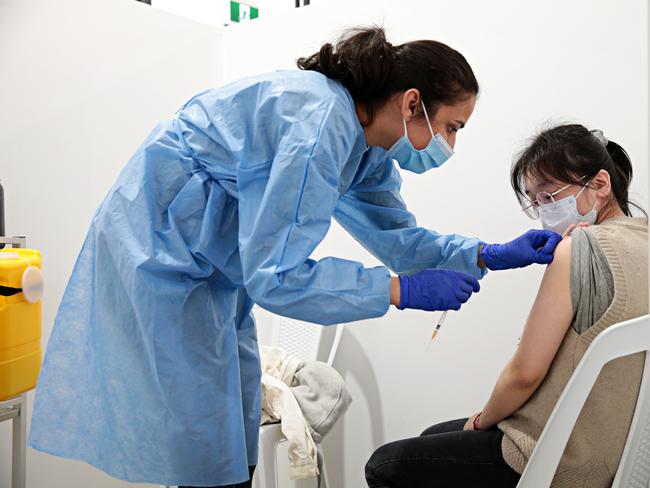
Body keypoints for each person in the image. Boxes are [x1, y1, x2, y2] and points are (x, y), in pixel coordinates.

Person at [29, 27, 560, 488]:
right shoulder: (318, 126)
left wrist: (486, 254)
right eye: (451, 128)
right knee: (204, 445)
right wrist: (400, 291)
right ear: (412, 102)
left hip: (213, 271)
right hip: (161, 253)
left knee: (233, 431)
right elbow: (277, 277)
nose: (449, 145)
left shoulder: (366, 148)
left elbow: (399, 239)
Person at [365, 124, 648, 488]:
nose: (545, 211)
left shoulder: (577, 247)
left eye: (549, 196)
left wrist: (480, 421)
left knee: (385, 465)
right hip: (624, 457)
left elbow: (524, 374)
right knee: (432, 437)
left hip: (557, 459)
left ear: (600, 184)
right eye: (535, 202)